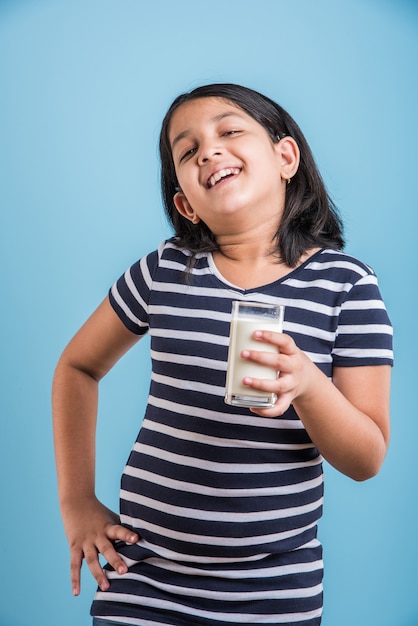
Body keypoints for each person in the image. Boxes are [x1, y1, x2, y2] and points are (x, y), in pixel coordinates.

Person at [52, 83, 393, 626]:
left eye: (230, 131)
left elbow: (367, 457)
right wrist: (76, 502)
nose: (208, 150)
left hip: (276, 585)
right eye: (187, 152)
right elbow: (77, 367)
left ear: (286, 158)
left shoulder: (346, 286)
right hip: (145, 574)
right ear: (186, 203)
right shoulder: (163, 271)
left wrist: (307, 383)